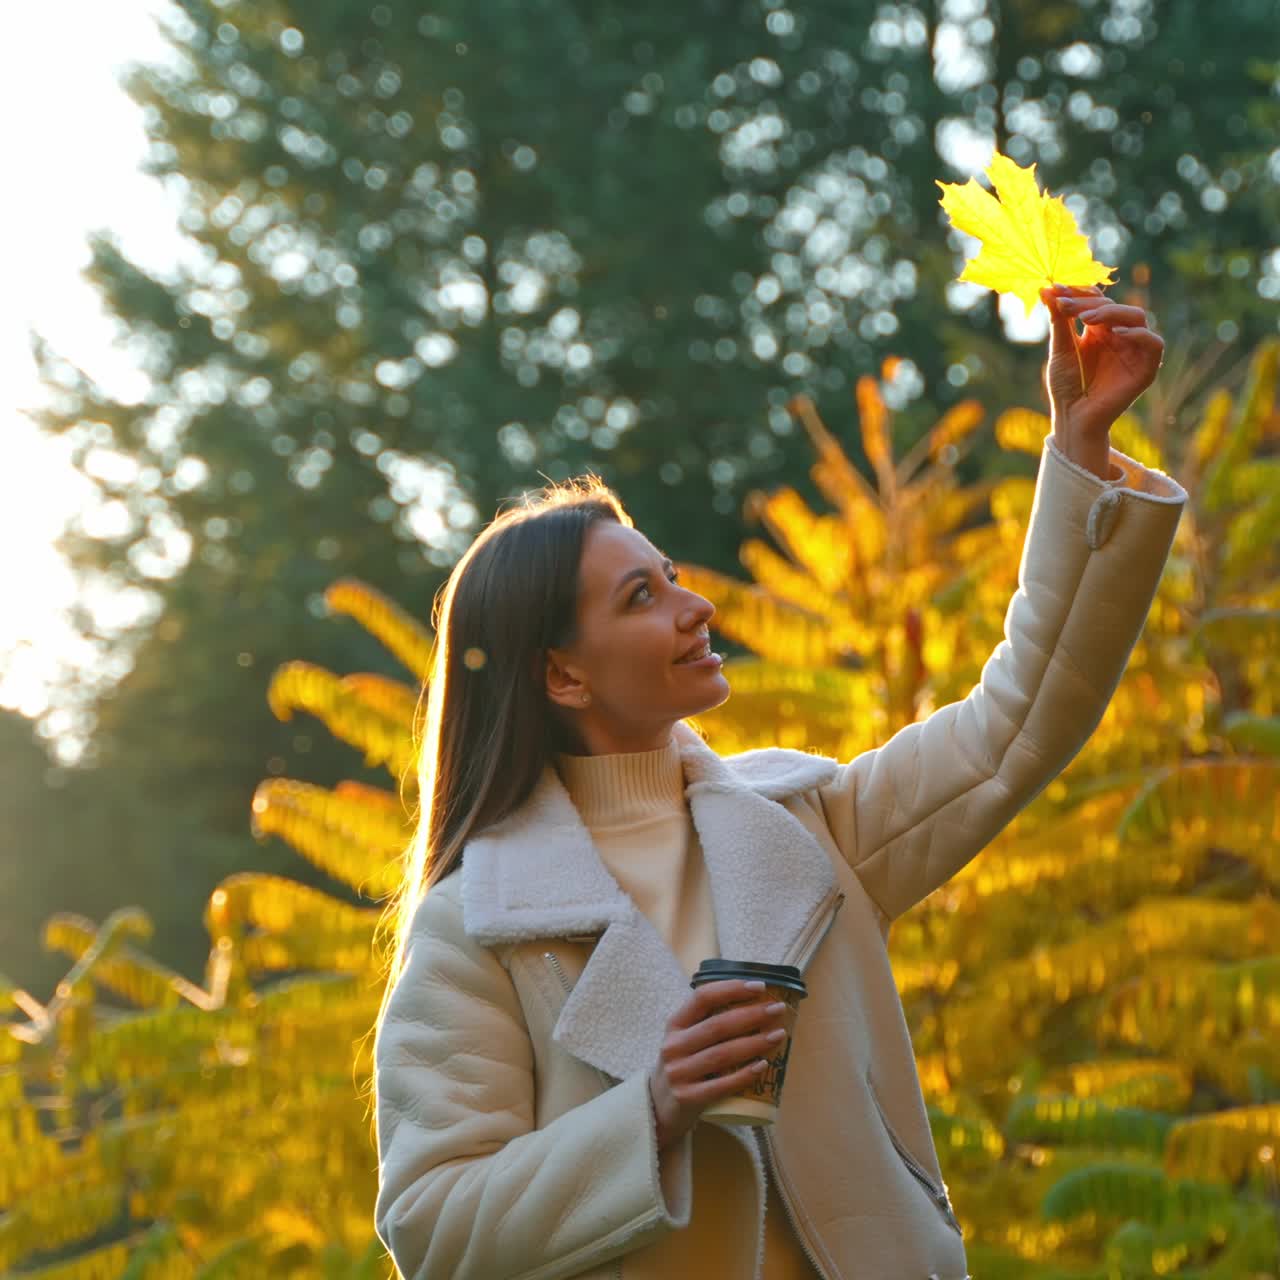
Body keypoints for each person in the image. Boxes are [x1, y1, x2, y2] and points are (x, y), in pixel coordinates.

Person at [371, 284, 1186, 1279]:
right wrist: (653, 1107)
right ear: (561, 672)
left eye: (671, 574)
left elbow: (1017, 719)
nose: (695, 603)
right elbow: (433, 1224)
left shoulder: (809, 824)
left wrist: (1080, 451)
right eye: (643, 595)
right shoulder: (476, 925)